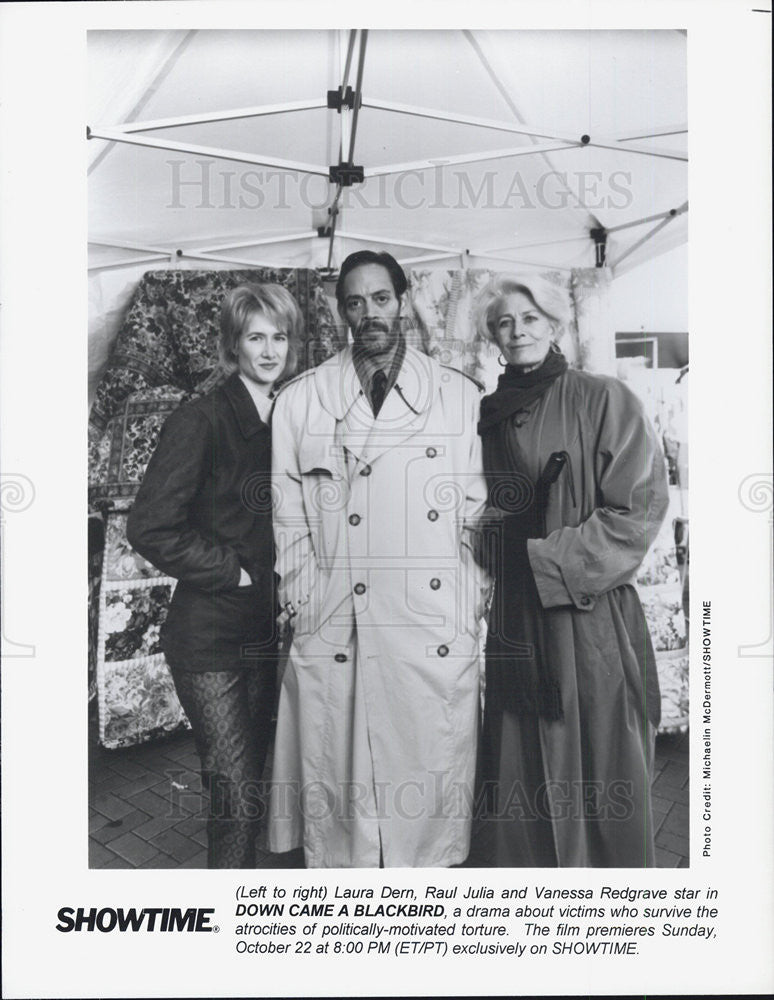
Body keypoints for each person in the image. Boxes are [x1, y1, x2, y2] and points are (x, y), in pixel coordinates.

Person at [268, 250, 489, 868]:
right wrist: (305, 594)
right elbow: (287, 514)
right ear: (341, 311)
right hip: (338, 619)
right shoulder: (301, 400)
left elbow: (476, 511)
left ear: (403, 299)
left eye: (381, 298)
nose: (370, 313)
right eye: (355, 302)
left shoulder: (457, 397)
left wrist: (467, 599)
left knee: (424, 787)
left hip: (427, 623)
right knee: (343, 790)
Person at [474, 275, 669, 867]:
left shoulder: (603, 398)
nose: (519, 330)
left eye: (531, 318)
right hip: (515, 620)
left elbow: (637, 510)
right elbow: (473, 504)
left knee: (601, 765)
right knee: (521, 776)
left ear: (554, 325)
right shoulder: (485, 414)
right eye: (506, 322)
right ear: (495, 340)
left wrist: (539, 558)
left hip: (589, 621)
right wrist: (489, 538)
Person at [126, 283, 303, 868]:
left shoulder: (288, 415)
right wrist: (239, 574)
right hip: (207, 635)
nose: (271, 349)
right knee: (231, 787)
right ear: (233, 344)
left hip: (261, 631)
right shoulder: (200, 419)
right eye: (256, 337)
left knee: (252, 782)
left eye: (279, 336)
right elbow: (150, 527)